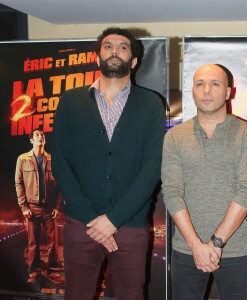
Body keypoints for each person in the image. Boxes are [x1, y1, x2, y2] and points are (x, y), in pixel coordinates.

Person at [51, 27, 165, 300]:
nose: (115, 51)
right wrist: (93, 220)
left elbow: (152, 168)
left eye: (123, 47)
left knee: (130, 295)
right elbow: (61, 165)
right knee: (77, 294)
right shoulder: (70, 101)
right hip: (82, 224)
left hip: (131, 225)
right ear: (97, 56)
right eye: (108, 46)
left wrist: (112, 220)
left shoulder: (151, 104)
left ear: (134, 61)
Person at [161, 64, 247, 300]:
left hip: (235, 248)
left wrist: (216, 242)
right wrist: (196, 246)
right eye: (200, 84)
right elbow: (172, 192)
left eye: (215, 84)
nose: (206, 90)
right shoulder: (175, 137)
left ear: (229, 92)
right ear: (193, 91)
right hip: (186, 249)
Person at [15, 128, 62, 283]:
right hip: (32, 207)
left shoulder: (53, 159)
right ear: (31, 140)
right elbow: (18, 183)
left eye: (42, 135)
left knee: (53, 242)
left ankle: (53, 271)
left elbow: (60, 184)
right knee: (33, 242)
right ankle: (34, 272)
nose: (41, 137)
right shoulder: (22, 159)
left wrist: (57, 206)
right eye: (37, 135)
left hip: (49, 208)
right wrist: (23, 207)